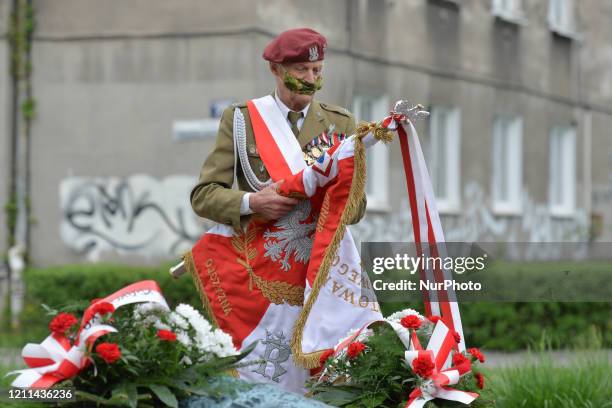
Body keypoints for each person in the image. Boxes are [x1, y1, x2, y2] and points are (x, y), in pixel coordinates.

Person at [190, 28, 366, 229]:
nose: (310, 79)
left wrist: (316, 201)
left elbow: (358, 207)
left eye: (316, 70)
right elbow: (203, 196)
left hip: (319, 255)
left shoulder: (341, 123)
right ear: (275, 69)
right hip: (260, 253)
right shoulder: (242, 119)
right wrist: (253, 202)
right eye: (301, 69)